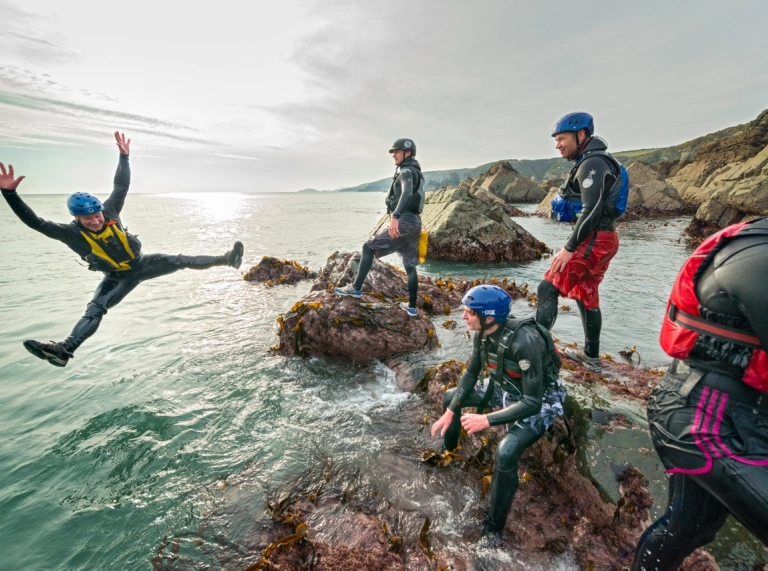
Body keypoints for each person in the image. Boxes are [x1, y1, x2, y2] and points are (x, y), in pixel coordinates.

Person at [0, 132, 244, 367]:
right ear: (76, 217)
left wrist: (124, 157)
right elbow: (36, 223)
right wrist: (9, 193)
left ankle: (228, 259)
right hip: (116, 279)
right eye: (88, 220)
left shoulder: (110, 211)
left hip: (143, 264)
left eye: (97, 217)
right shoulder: (70, 234)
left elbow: (120, 186)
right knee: (95, 310)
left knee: (181, 260)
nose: (95, 222)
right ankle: (65, 350)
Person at [632, 217, 768, 571]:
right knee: (687, 527)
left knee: (691, 527)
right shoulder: (757, 256)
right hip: (702, 416)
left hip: (741, 413)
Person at [430, 285, 565, 539]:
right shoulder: (482, 333)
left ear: (489, 317)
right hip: (503, 387)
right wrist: (450, 411)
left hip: (539, 399)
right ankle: (449, 453)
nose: (464, 316)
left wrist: (486, 420)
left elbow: (532, 402)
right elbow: (471, 372)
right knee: (451, 397)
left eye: (470, 311)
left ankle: (493, 528)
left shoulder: (525, 342)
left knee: (505, 452)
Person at [535, 112, 622, 373]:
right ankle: (591, 356)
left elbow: (591, 209)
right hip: (606, 237)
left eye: (562, 138)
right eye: (556, 140)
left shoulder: (592, 164)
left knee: (547, 288)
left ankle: (535, 350)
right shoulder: (597, 161)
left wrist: (569, 248)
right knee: (586, 292)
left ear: (581, 135)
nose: (558, 144)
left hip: (594, 239)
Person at [335, 138, 425, 316]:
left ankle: (356, 288)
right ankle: (412, 308)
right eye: (392, 152)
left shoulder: (406, 171)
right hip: (415, 223)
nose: (393, 155)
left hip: (405, 221)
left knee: (368, 248)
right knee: (410, 266)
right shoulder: (417, 172)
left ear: (407, 152)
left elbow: (407, 192)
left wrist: (396, 218)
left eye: (396, 152)